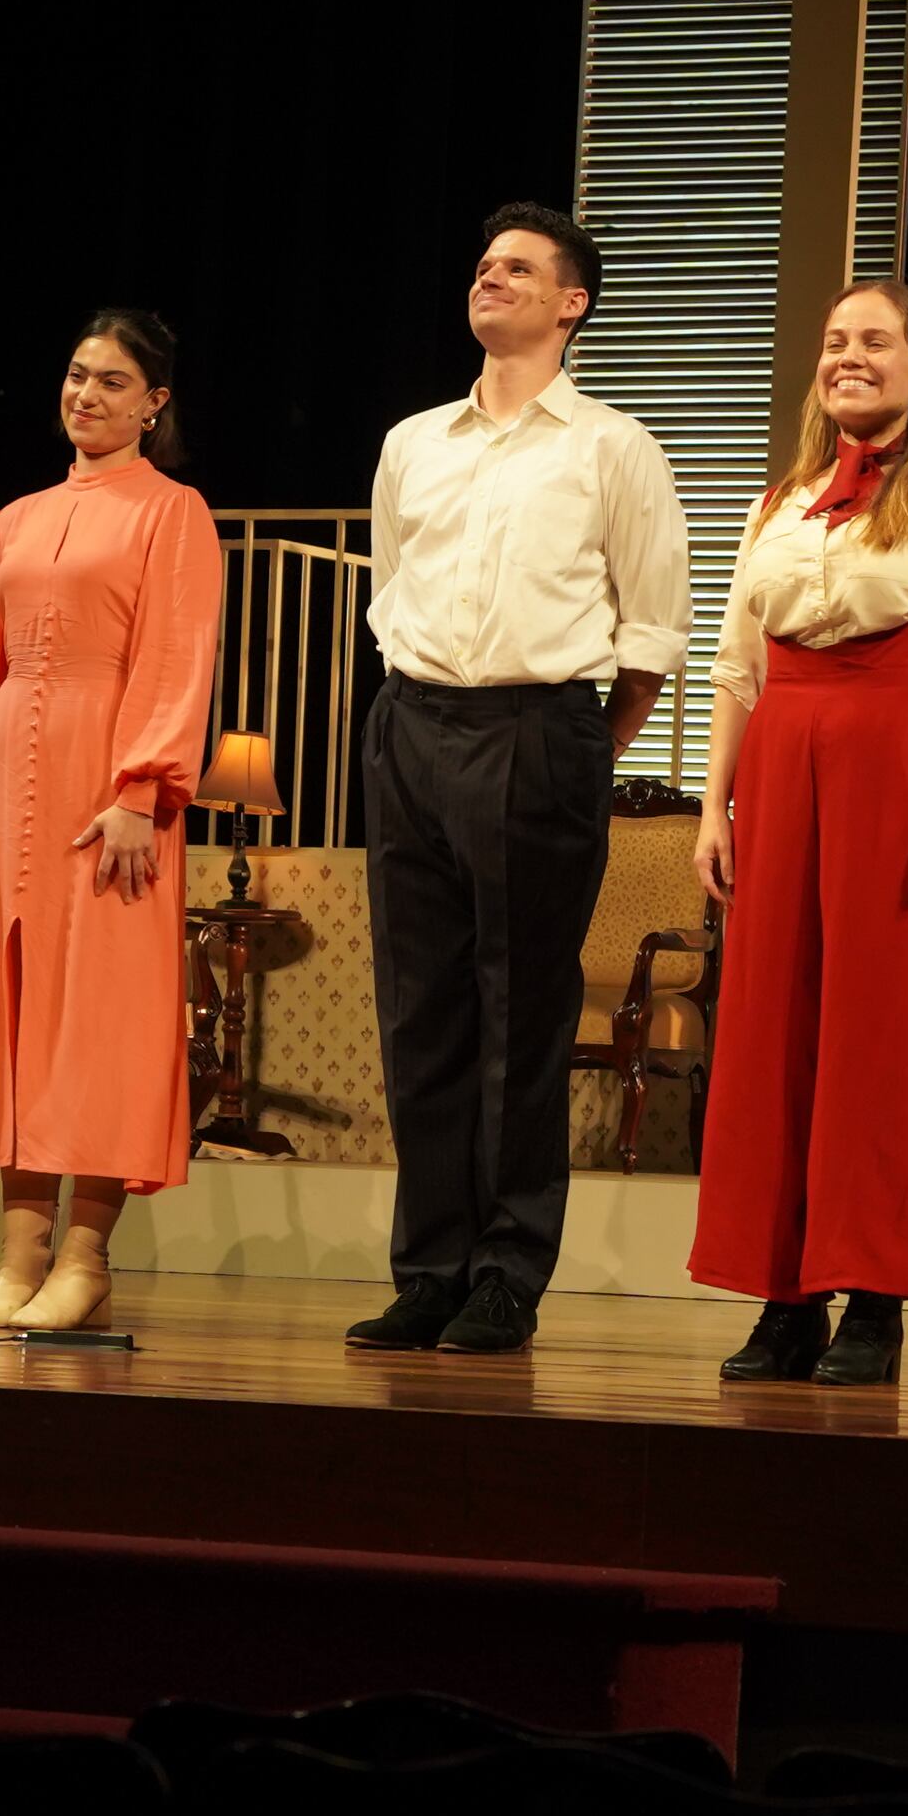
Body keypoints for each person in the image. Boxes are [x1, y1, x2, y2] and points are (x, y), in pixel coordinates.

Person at [350, 205, 689, 1357]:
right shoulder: (414, 441)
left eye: (519, 269)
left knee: (521, 1017)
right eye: (483, 264)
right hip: (411, 728)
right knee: (419, 1014)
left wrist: (582, 745)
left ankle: (506, 1269)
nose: (489, 278)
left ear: (570, 303)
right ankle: (429, 1268)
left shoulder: (610, 447)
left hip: (540, 730)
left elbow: (649, 633)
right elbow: (393, 585)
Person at [686, 280, 908, 1388]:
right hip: (783, 761)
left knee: (881, 1034)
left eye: (874, 341)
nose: (848, 356)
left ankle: (873, 1296)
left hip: (893, 759)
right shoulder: (777, 502)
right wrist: (711, 803)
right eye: (834, 341)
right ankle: (784, 1298)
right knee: (772, 1026)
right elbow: (737, 667)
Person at [0, 311, 224, 1336]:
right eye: (78, 376)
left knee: (102, 1019)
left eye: (112, 382)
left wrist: (142, 790)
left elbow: (179, 656)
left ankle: (85, 1257)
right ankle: (17, 1255)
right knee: (13, 1010)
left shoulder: (172, 511)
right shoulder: (20, 516)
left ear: (153, 402)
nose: (86, 396)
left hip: (108, 781)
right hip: (7, 779)